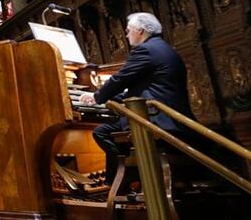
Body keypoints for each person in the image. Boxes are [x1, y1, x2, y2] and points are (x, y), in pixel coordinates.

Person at [78, 12, 194, 181]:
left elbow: (120, 78)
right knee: (107, 130)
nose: (126, 35)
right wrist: (107, 98)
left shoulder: (146, 50)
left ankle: (124, 179)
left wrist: (97, 97)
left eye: (128, 30)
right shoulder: (164, 48)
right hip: (170, 115)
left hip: (156, 118)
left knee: (102, 132)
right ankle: (127, 179)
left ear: (140, 31)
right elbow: (144, 88)